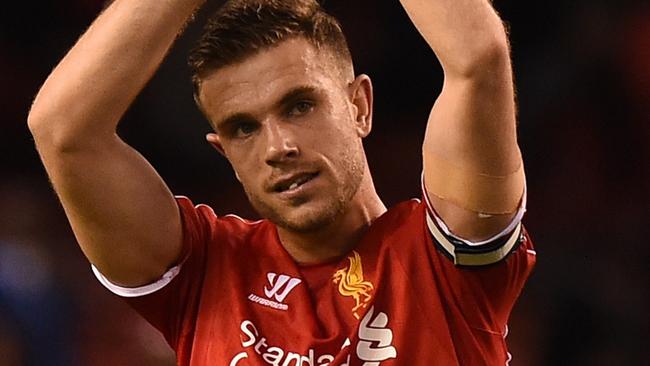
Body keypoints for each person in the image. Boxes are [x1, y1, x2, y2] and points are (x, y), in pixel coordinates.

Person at [28, 0, 535, 364]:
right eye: (244, 128)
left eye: (299, 105)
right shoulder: (200, 273)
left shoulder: (446, 265)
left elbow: (478, 58)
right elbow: (63, 132)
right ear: (223, 151)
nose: (278, 148)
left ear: (359, 106)